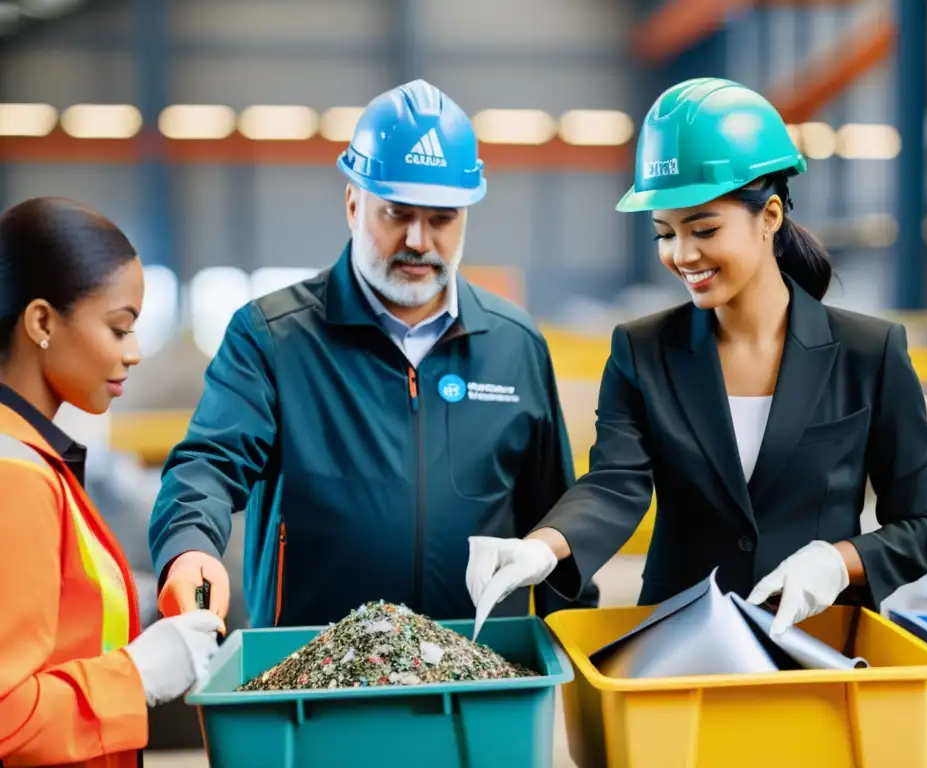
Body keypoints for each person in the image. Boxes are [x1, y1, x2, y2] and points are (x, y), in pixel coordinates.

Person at [465, 77, 927, 639]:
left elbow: (925, 525)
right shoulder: (641, 350)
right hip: (677, 644)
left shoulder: (870, 352)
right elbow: (615, 484)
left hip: (818, 641)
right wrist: (542, 548)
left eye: (703, 229)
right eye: (664, 234)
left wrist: (836, 560)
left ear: (769, 215)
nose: (682, 255)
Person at [147, 79, 598, 629]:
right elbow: (208, 466)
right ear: (353, 203)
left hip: (481, 674)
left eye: (441, 219)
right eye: (397, 214)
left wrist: (574, 654)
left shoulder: (513, 344)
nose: (417, 240)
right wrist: (189, 545)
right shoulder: (272, 337)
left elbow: (554, 520)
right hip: (312, 678)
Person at [0, 197, 224, 768]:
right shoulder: (14, 477)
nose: (135, 352)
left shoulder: (37, 460)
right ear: (43, 322)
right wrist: (137, 675)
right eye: (118, 328)